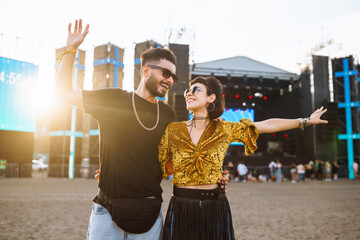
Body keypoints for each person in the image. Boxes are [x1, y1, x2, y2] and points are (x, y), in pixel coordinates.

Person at [56, 19, 229, 240]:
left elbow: (172, 163)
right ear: (146, 70)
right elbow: (62, 93)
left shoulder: (168, 115)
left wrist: (213, 177)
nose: (170, 80)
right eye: (165, 73)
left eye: (173, 77)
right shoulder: (113, 99)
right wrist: (71, 50)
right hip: (107, 211)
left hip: (150, 215)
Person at [158, 76, 328, 239]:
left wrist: (306, 121)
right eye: (188, 90)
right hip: (180, 206)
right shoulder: (173, 130)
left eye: (196, 89)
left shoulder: (225, 129)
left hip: (213, 207)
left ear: (211, 98)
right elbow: (160, 165)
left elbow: (268, 124)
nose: (189, 93)